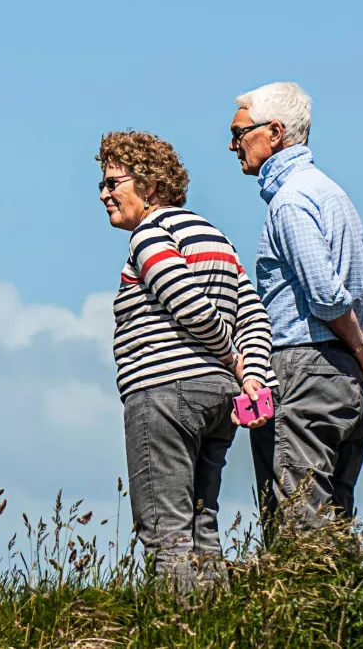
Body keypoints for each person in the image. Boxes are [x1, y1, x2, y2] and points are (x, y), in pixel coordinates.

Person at [97, 130, 274, 589]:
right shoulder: (216, 237)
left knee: (165, 532)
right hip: (218, 401)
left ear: (151, 186)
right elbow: (253, 312)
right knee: (203, 525)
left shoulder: (149, 236)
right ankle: (216, 625)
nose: (104, 194)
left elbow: (187, 302)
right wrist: (252, 377)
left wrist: (236, 361)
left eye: (113, 183)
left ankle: (175, 630)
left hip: (162, 393)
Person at [228, 81, 363, 533]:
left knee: (298, 522)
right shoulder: (335, 196)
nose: (232, 145)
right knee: (334, 519)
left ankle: (302, 604)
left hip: (305, 365)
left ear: (275, 133)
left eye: (240, 133)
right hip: (344, 376)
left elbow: (326, 295)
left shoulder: (290, 202)